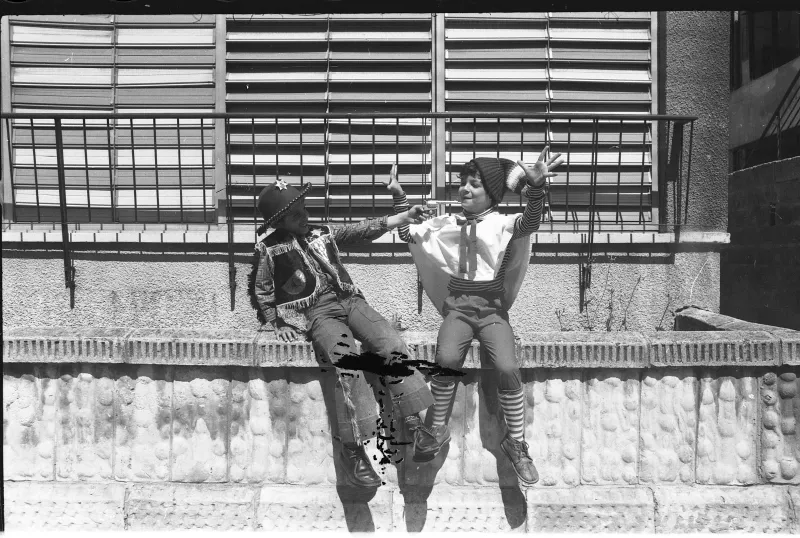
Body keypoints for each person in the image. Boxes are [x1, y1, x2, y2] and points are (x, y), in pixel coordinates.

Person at [387, 147, 564, 486]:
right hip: (458, 307)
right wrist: (400, 199)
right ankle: (436, 429)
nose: (464, 190)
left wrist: (537, 189)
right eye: (462, 183)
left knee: (508, 367)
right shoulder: (446, 225)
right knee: (446, 358)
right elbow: (410, 234)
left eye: (474, 185)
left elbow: (531, 221)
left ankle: (515, 442)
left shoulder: (503, 224)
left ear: (492, 194)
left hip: (492, 309)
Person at [251, 179, 442, 488]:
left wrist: (402, 217)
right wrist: (277, 322)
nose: (304, 216)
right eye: (295, 214)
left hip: (350, 301)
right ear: (279, 221)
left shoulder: (322, 233)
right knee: (348, 366)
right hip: (320, 314)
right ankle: (353, 450)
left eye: (304, 209)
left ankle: (414, 424)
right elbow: (263, 289)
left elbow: (361, 230)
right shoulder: (270, 249)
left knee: (389, 341)